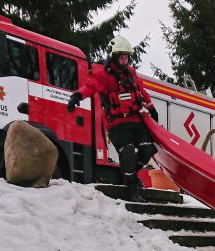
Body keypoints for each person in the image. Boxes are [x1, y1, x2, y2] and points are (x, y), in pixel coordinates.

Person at [67, 36, 159, 202]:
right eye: (121, 57)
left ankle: (129, 174)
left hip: (135, 120)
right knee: (129, 153)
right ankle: (132, 189)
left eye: (126, 57)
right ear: (113, 57)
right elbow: (90, 86)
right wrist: (76, 97)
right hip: (117, 124)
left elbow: (141, 91)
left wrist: (152, 108)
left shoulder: (131, 73)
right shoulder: (104, 75)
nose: (125, 61)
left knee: (148, 149)